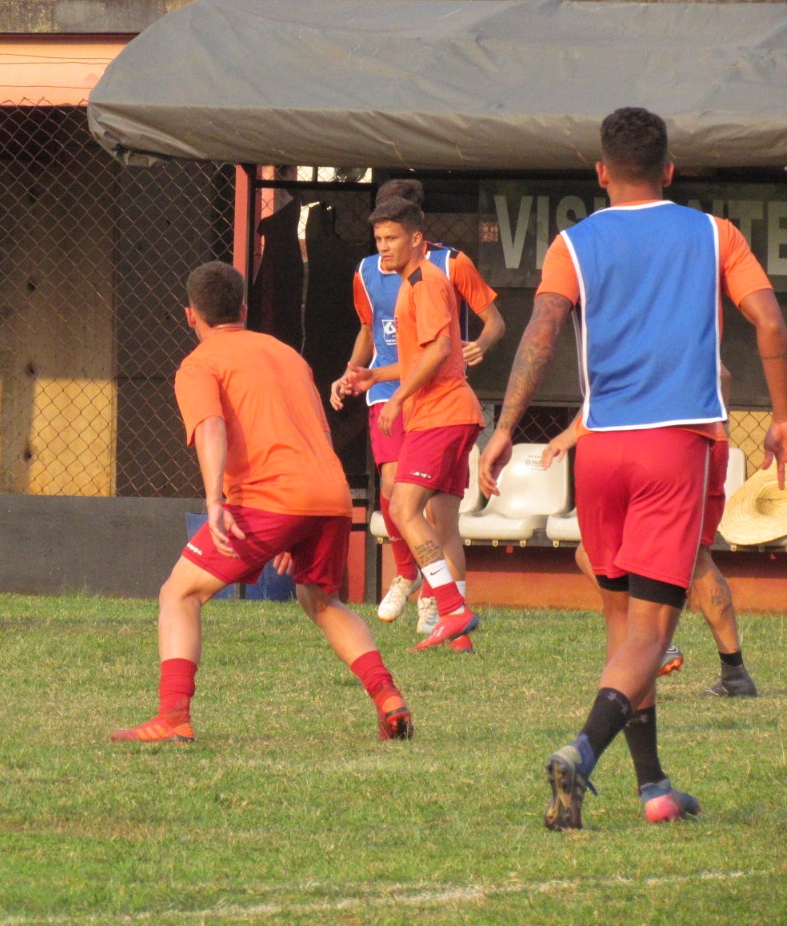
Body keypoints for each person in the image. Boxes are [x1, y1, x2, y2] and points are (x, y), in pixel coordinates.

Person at [480, 107, 787, 830]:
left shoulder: (573, 243)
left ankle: (652, 787)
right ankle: (582, 752)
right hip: (673, 446)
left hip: (603, 450)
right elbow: (770, 323)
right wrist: (781, 415)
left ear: (600, 173)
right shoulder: (714, 234)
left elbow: (543, 333)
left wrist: (503, 429)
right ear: (671, 171)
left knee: (625, 632)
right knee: (651, 633)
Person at [111, 261, 410, 743]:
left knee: (179, 594)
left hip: (270, 497)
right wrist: (302, 520)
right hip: (327, 494)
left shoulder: (200, 363)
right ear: (244, 310)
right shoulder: (287, 354)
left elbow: (211, 426)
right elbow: (311, 425)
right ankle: (388, 698)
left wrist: (213, 499)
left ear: (190, 316)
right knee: (322, 601)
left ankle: (173, 718)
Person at [331, 179, 503, 646]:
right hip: (449, 411)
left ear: (415, 238)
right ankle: (457, 627)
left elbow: (441, 349)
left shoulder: (427, 280)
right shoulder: (408, 283)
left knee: (403, 508)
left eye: (391, 239)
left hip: (440, 412)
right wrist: (371, 376)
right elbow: (421, 354)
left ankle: (445, 604)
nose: (383, 248)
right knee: (433, 514)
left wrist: (401, 397)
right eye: (379, 240)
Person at [545, 365, 758, 697]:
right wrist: (719, 427)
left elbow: (721, 372)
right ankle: (727, 670)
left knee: (685, 557)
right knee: (595, 555)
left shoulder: (641, 327)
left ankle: (662, 645)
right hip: (688, 437)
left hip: (664, 440)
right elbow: (721, 375)